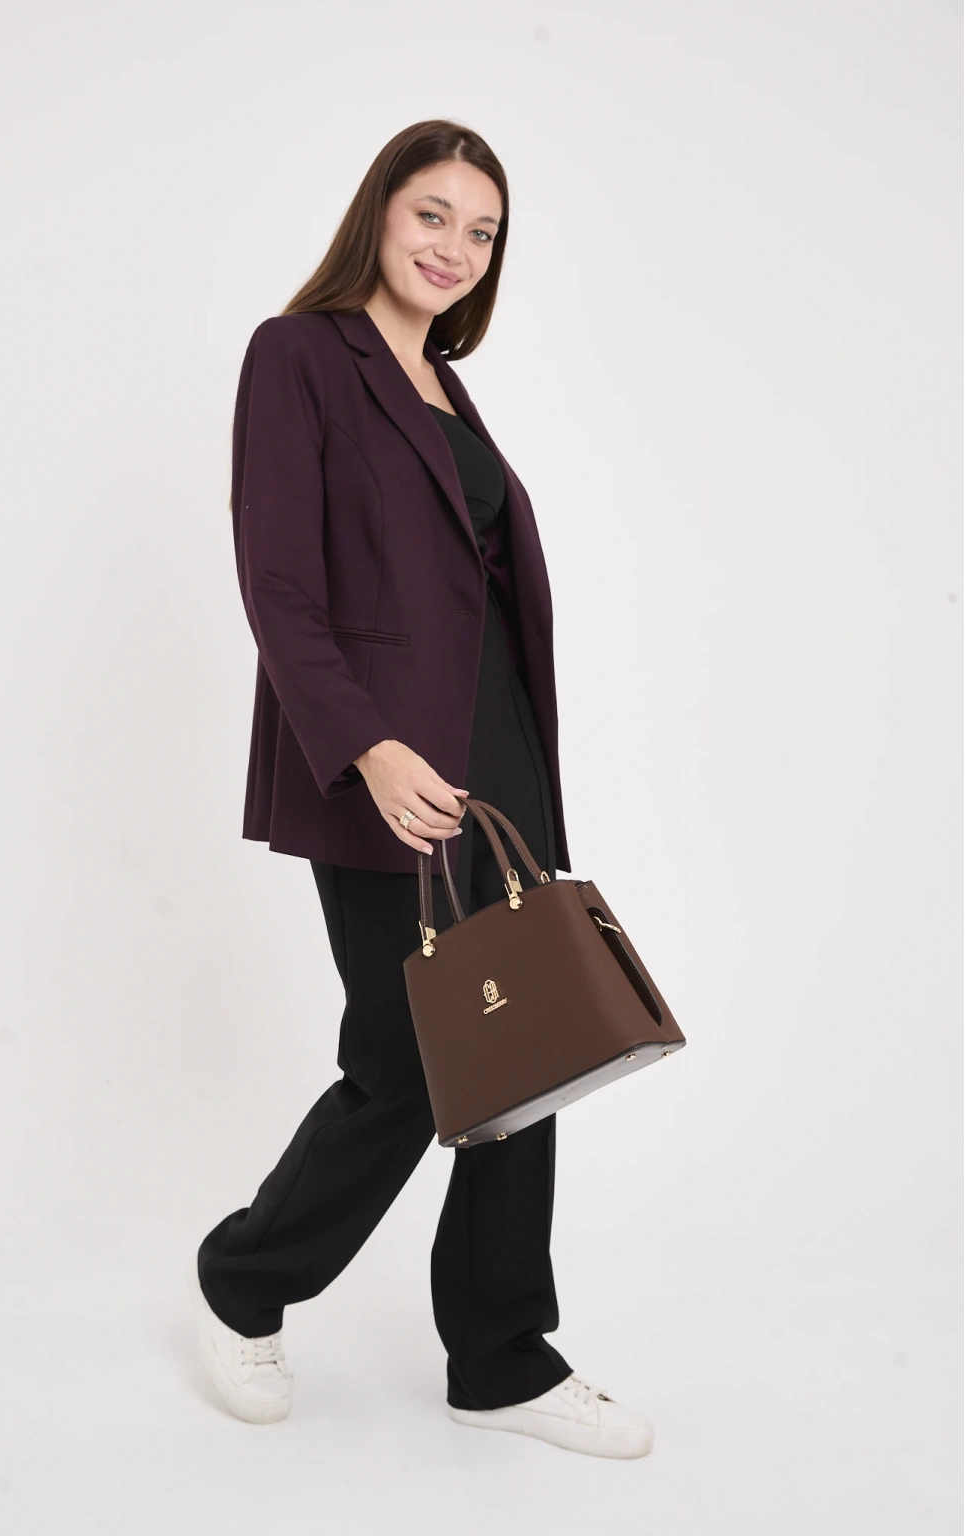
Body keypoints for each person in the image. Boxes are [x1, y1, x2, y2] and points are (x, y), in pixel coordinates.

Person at [188, 118, 654, 1460]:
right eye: (434, 214)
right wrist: (367, 747)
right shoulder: (300, 354)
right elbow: (279, 582)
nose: (455, 247)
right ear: (379, 212)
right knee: (404, 1058)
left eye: (483, 231)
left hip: (498, 760)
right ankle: (245, 1280)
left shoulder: (448, 385)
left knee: (528, 1048)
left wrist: (520, 765)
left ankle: (502, 1357)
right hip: (382, 761)